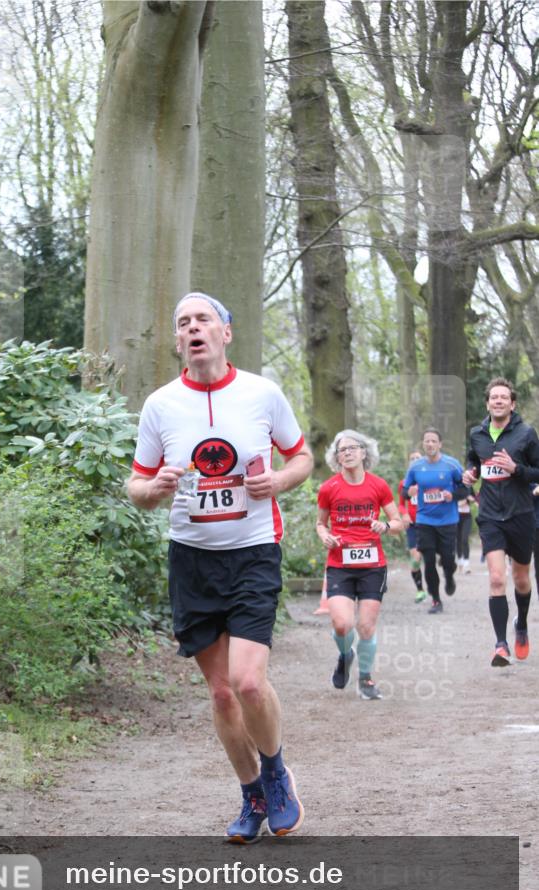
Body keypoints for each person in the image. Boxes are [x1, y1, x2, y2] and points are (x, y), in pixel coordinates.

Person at [127, 292, 314, 843]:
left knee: (249, 682)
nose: (192, 329)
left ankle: (277, 774)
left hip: (254, 551)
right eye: (182, 322)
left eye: (202, 319)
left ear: (225, 333)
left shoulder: (262, 393)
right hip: (192, 561)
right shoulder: (160, 405)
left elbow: (302, 457)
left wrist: (278, 481)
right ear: (178, 341)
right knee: (222, 694)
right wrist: (154, 488)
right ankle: (251, 794)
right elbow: (135, 487)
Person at [316, 430, 403, 700]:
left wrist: (385, 526)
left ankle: (366, 679)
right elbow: (320, 523)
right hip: (340, 563)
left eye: (353, 448)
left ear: (364, 453)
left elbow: (399, 523)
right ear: (337, 457)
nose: (348, 453)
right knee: (342, 625)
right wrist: (325, 536)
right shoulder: (329, 488)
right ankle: (345, 654)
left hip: (372, 565)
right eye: (343, 450)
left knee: (365, 627)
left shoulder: (378, 486)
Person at [463, 378, 539, 666]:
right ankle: (500, 645)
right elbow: (474, 462)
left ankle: (520, 625)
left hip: (521, 515)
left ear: (512, 403)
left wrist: (516, 468)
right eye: (493, 397)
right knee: (497, 578)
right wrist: (470, 474)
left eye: (503, 397)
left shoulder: (526, 434)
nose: (498, 401)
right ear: (487, 403)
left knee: (521, 579)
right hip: (491, 516)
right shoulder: (477, 435)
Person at [402, 428, 464, 614]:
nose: (429, 444)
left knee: (447, 559)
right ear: (423, 444)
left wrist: (451, 495)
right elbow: (404, 492)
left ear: (440, 444)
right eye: (426, 441)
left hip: (447, 521)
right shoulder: (415, 467)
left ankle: (449, 575)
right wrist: (409, 492)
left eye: (433, 441)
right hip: (424, 520)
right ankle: (436, 600)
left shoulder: (452, 465)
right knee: (428, 562)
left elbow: (466, 490)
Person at [398, 450, 427, 602]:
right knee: (415, 559)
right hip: (413, 526)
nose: (415, 460)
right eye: (412, 458)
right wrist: (404, 514)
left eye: (418, 458)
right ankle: (420, 590)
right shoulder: (404, 483)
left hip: (428, 524)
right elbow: (401, 505)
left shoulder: (429, 479)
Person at [456, 487, 478, 573]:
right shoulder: (454, 487)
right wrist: (461, 502)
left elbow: (474, 499)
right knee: (458, 540)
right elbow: (450, 501)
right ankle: (460, 561)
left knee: (465, 539)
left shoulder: (469, 487)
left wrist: (471, 499)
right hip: (456, 517)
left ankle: (466, 564)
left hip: (467, 517)